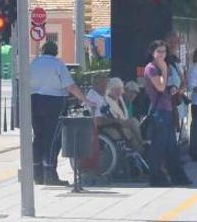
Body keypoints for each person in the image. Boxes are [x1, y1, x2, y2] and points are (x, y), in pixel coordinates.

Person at [30, 41, 92, 186]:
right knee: (52, 139)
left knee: (38, 137)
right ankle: (50, 174)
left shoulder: (34, 63)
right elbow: (70, 86)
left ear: (43, 50)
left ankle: (37, 174)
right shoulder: (58, 65)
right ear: (55, 52)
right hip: (54, 103)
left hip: (34, 101)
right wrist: (85, 100)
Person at [143, 40, 192, 187]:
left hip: (168, 110)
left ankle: (178, 176)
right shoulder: (151, 68)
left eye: (164, 51)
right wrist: (164, 70)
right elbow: (159, 87)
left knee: (172, 147)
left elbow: (166, 87)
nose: (161, 54)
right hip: (159, 112)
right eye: (159, 51)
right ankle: (156, 177)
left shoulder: (162, 67)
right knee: (159, 146)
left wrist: (173, 89)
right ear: (153, 53)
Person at [102, 77, 145, 153]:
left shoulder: (121, 100)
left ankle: (142, 153)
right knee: (134, 122)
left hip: (123, 123)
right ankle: (142, 144)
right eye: (117, 90)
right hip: (117, 124)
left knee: (134, 128)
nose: (133, 95)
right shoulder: (106, 100)